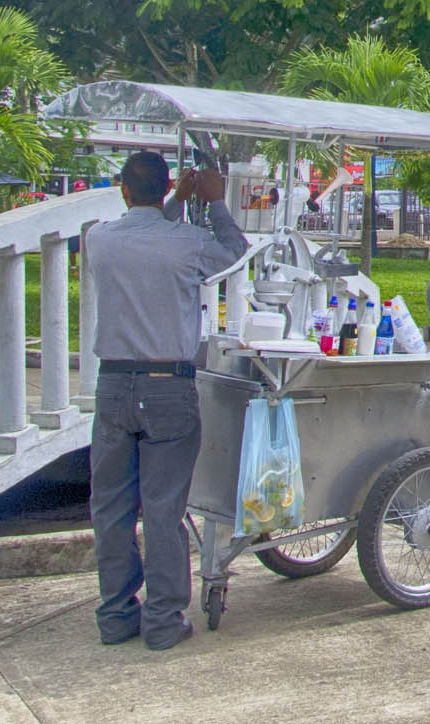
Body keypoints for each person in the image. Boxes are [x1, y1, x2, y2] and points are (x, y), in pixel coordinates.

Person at [86, 151, 248, 650]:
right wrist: (215, 202)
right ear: (167, 186)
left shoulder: (98, 238)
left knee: (110, 507)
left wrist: (174, 199)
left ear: (122, 190)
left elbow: (149, 233)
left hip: (113, 384)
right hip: (167, 385)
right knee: (162, 508)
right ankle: (162, 619)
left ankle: (115, 615)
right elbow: (234, 249)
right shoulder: (188, 244)